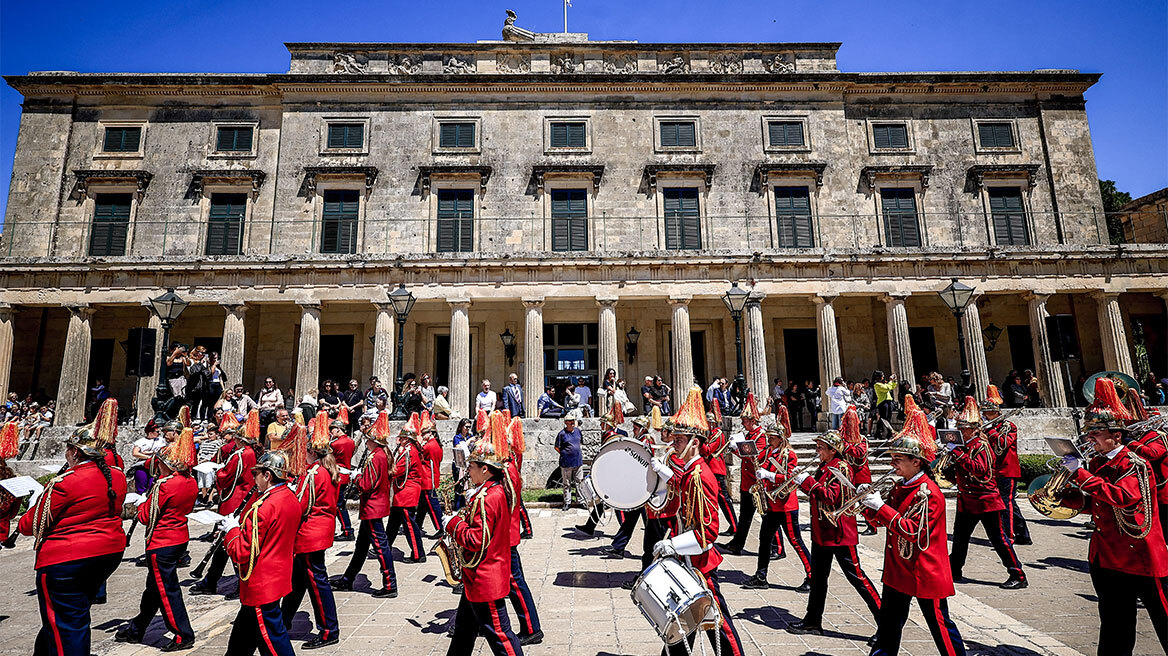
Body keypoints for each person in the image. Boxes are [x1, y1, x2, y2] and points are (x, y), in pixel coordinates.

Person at [1056, 377, 1168, 656]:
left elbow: (1123, 497)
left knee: (1164, 621)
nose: (1089, 440)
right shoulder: (1097, 462)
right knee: (1114, 627)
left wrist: (1080, 474)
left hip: (1139, 555)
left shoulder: (1133, 463)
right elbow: (1095, 503)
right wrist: (1064, 497)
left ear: (1116, 435)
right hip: (1108, 556)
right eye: (1089, 435)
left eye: (1095, 435)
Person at [861, 404, 967, 656]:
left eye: (898, 459)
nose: (892, 464)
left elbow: (913, 531)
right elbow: (882, 522)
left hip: (923, 569)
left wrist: (881, 507)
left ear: (916, 462)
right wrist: (867, 505)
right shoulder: (901, 487)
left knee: (940, 627)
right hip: (899, 568)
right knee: (888, 628)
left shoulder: (928, 493)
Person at [649, 386, 745, 656]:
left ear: (695, 442)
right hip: (689, 560)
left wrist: (673, 546)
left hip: (700, 563)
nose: (673, 443)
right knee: (682, 625)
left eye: (679, 439)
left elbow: (707, 533)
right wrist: (663, 471)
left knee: (719, 625)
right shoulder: (691, 472)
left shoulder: (701, 475)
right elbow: (681, 483)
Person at [18, 422, 127, 656]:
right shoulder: (117, 477)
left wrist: (36, 500)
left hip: (66, 559)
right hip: (107, 553)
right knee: (72, 616)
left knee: (66, 624)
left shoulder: (64, 483)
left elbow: (29, 525)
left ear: (75, 451)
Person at [787, 428, 881, 636]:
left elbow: (831, 497)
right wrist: (802, 482)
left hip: (839, 533)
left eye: (821, 447)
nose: (817, 450)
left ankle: (886, 624)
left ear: (833, 450)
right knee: (819, 579)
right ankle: (813, 620)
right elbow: (817, 493)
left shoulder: (841, 468)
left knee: (857, 577)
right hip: (823, 531)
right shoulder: (825, 466)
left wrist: (807, 481)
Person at [441, 425, 525, 656]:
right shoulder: (488, 491)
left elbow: (476, 538)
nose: (468, 469)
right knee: (463, 632)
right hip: (475, 576)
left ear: (485, 469)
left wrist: (452, 523)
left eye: (472, 466)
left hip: (484, 577)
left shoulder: (488, 497)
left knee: (501, 637)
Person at [115, 426, 198, 650]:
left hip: (162, 542)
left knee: (166, 590)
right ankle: (137, 628)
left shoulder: (166, 485)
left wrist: (142, 502)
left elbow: (144, 517)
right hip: (179, 537)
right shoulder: (190, 481)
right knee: (153, 590)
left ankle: (183, 634)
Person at [218, 450, 300, 656]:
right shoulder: (289, 497)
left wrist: (231, 531)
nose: (253, 478)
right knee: (240, 642)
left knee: (274, 641)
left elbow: (241, 552)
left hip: (261, 583)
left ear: (267, 475)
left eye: (257, 474)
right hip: (277, 575)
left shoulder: (262, 508)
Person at [945, 396, 1027, 589]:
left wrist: (957, 454)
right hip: (967, 499)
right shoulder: (964, 446)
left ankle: (1018, 574)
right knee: (959, 538)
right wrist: (946, 466)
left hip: (986, 500)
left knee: (999, 539)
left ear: (974, 429)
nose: (961, 432)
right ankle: (954, 569)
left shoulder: (981, 445)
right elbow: (959, 474)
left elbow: (980, 469)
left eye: (964, 429)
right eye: (960, 428)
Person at [281, 423, 341, 649]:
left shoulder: (314, 473)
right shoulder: (323, 470)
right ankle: (283, 619)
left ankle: (328, 629)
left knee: (317, 583)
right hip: (318, 532)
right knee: (298, 581)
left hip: (309, 535)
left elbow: (300, 505)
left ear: (312, 451)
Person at [191, 410, 261, 597]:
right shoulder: (250, 452)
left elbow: (225, 477)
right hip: (242, 499)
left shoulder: (240, 455)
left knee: (232, 543)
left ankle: (241, 583)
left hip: (235, 502)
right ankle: (211, 580)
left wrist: (216, 472)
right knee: (223, 544)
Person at [742, 418, 812, 592]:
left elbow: (790, 478)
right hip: (772, 505)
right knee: (764, 540)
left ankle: (812, 576)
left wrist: (769, 476)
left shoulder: (789, 454)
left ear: (781, 438)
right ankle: (761, 575)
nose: (768, 439)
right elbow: (762, 467)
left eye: (772, 437)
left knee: (796, 542)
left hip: (786, 505)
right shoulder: (771, 452)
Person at [333, 413, 396, 597]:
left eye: (368, 439)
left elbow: (366, 485)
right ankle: (348, 578)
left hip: (372, 507)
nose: (366, 442)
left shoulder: (375, 457)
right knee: (361, 547)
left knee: (381, 547)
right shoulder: (380, 454)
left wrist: (356, 476)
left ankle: (390, 584)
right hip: (374, 505)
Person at [500, 415, 543, 645]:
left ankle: (531, 628)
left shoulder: (506, 470)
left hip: (504, 536)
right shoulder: (506, 468)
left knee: (515, 582)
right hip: (502, 535)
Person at [982, 385, 1030, 545]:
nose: (985, 416)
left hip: (1007, 471)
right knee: (1006, 503)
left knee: (1006, 503)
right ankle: (1022, 534)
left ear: (996, 413)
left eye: (988, 413)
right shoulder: (988, 428)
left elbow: (1001, 446)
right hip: (994, 471)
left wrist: (991, 432)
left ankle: (1008, 536)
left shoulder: (1008, 426)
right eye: (984, 413)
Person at [724, 395, 772, 555]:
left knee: (767, 517)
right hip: (747, 483)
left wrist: (737, 449)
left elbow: (756, 458)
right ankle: (737, 544)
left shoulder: (760, 436)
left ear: (753, 421)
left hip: (757, 483)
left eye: (745, 421)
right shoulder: (750, 436)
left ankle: (777, 547)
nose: (743, 423)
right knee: (744, 517)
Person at [1125, 388, 1168, 537]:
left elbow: (1153, 453)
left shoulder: (1156, 435)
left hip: (1164, 490)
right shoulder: (1140, 437)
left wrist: (1130, 443)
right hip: (1150, 490)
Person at [389, 413, 427, 563]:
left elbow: (398, 470)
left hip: (407, 492)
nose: (400, 440)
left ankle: (418, 554)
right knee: (393, 522)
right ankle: (384, 546)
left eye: (402, 438)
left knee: (410, 526)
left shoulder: (408, 451)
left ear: (408, 439)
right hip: (403, 492)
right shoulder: (408, 450)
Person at [840, 405, 878, 536]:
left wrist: (845, 445)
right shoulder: (843, 439)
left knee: (865, 502)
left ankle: (872, 526)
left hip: (861, 475)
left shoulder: (862, 440)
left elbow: (859, 453)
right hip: (848, 474)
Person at [701, 401, 737, 536]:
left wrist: (700, 441)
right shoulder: (711, 434)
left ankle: (734, 526)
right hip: (710, 470)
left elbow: (708, 450)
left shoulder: (716, 434)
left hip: (716, 470)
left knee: (724, 500)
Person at [415, 412, 446, 535]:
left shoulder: (428, 446)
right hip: (430, 476)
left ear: (431, 433)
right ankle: (417, 524)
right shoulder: (436, 445)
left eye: (425, 433)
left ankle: (440, 527)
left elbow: (418, 456)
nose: (423, 435)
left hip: (428, 477)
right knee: (423, 505)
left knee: (433, 505)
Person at [328, 419, 356, 541]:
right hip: (346, 474)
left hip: (338, 474)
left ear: (338, 429)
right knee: (341, 504)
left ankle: (347, 530)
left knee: (338, 505)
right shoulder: (351, 441)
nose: (330, 432)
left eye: (332, 429)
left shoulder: (335, 444)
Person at [554, 415, 583, 509]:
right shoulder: (562, 434)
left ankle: (581, 501)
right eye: (570, 421)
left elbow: (580, 443)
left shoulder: (578, 431)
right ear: (566, 423)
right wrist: (564, 454)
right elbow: (557, 447)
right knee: (567, 483)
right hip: (566, 463)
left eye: (573, 420)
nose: (572, 423)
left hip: (578, 461)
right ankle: (567, 502)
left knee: (579, 482)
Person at [872, 371, 898, 442]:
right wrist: (890, 381)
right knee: (884, 418)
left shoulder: (884, 384)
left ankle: (880, 434)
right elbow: (886, 388)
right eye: (882, 376)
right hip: (883, 403)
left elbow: (892, 386)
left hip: (889, 402)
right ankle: (886, 433)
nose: (883, 377)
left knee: (888, 418)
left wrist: (894, 381)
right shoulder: (877, 384)